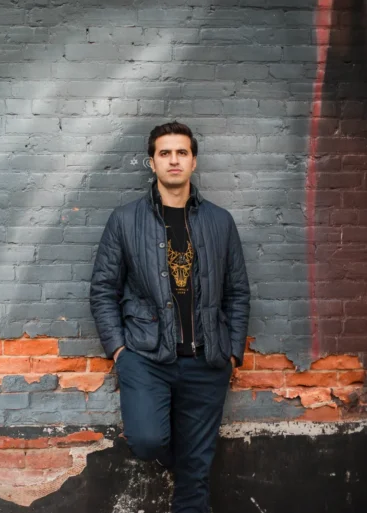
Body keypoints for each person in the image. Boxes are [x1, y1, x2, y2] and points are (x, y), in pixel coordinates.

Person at [89, 121, 250, 512]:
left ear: (194, 162)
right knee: (147, 440)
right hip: (145, 359)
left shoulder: (219, 222)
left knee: (195, 478)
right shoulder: (126, 221)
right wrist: (119, 351)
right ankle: (187, 443)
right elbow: (102, 290)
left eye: (181, 153)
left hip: (207, 361)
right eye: (165, 153)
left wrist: (231, 353)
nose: (173, 160)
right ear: (152, 162)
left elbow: (238, 292)